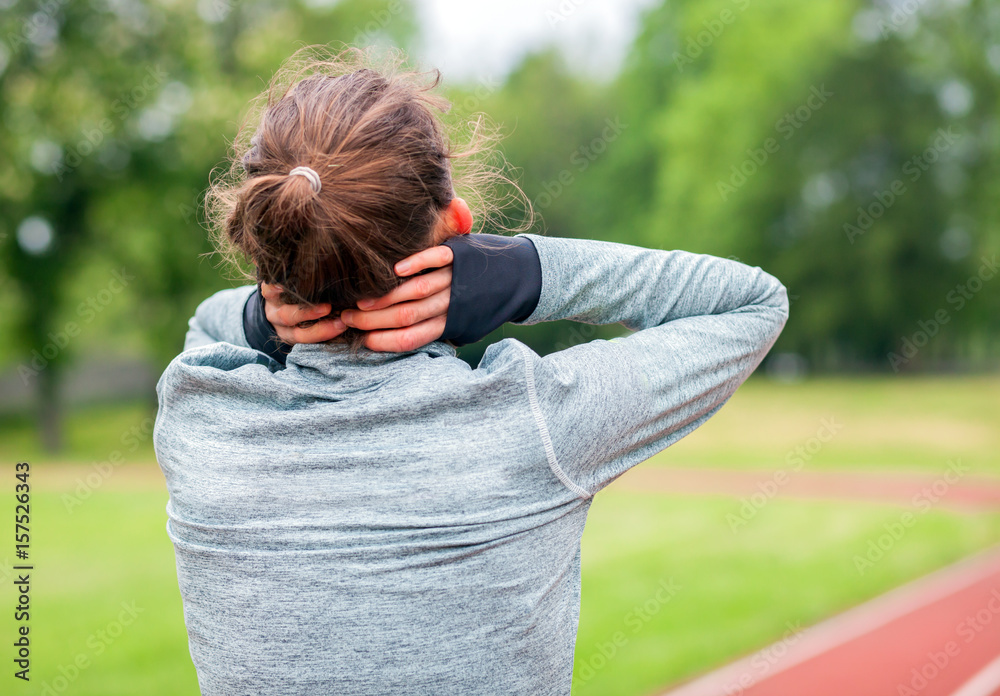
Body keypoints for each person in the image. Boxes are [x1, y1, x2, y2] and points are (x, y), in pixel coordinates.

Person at [153, 44, 789, 696]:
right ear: (456, 224)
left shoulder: (199, 419)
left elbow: (207, 328)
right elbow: (752, 301)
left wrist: (264, 318)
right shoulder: (532, 422)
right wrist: (523, 275)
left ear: (267, 249)